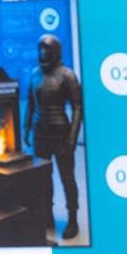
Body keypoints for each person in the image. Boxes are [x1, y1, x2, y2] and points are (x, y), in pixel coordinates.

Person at [24, 34, 83, 241]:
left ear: (55, 51)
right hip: (40, 133)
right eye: (40, 49)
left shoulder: (67, 75)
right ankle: (46, 215)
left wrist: (72, 138)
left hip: (61, 133)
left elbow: (77, 107)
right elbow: (31, 104)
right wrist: (26, 128)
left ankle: (72, 219)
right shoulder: (34, 74)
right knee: (43, 178)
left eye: (47, 50)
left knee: (67, 178)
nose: (43, 53)